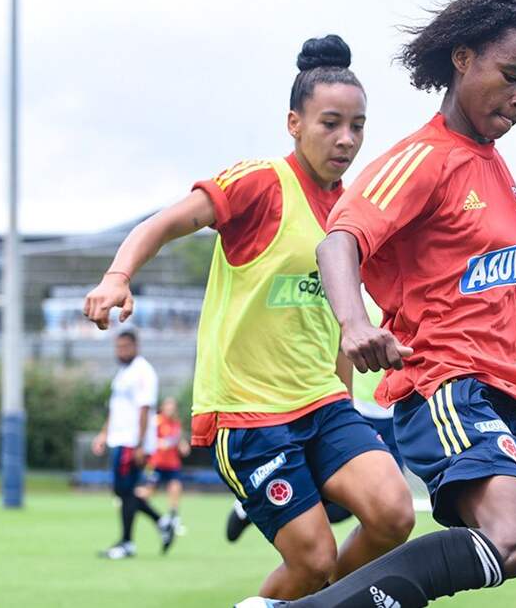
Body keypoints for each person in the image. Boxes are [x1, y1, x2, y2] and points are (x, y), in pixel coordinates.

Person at [249, 0, 516, 607]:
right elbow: (338, 242)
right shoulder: (423, 158)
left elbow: (462, 291)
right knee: (511, 540)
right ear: (462, 58)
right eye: (512, 76)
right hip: (449, 389)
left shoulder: (497, 172)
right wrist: (353, 323)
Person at [83, 35, 415, 600]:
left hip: (324, 403)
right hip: (248, 413)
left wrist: (344, 394)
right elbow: (164, 222)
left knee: (393, 514)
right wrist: (118, 275)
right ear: (294, 123)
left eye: (358, 126)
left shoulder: (354, 212)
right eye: (330, 123)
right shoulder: (260, 183)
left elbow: (340, 318)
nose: (346, 138)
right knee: (311, 560)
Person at [226, 290, 402, 543]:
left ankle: (282, 510)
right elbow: (339, 348)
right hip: (361, 409)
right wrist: (347, 406)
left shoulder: (403, 295)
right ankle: (266, 506)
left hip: (394, 412)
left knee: (384, 502)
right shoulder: (354, 300)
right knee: (350, 501)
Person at [91, 330, 176, 559]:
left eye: (125, 347)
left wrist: (139, 445)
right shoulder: (122, 373)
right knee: (123, 491)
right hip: (119, 439)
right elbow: (115, 409)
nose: (121, 351)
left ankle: (127, 543)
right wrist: (103, 434)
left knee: (125, 491)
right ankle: (162, 523)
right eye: (118, 347)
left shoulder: (143, 372)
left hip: (132, 442)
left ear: (136, 346)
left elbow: (144, 409)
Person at [137, 396, 191, 531]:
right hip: (157, 463)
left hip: (172, 464)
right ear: (163, 407)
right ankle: (128, 496)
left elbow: (178, 441)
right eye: (168, 406)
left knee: (175, 488)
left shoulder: (176, 423)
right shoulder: (156, 421)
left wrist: (183, 446)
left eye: (173, 407)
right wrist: (160, 443)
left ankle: (174, 518)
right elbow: (149, 439)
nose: (170, 409)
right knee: (149, 491)